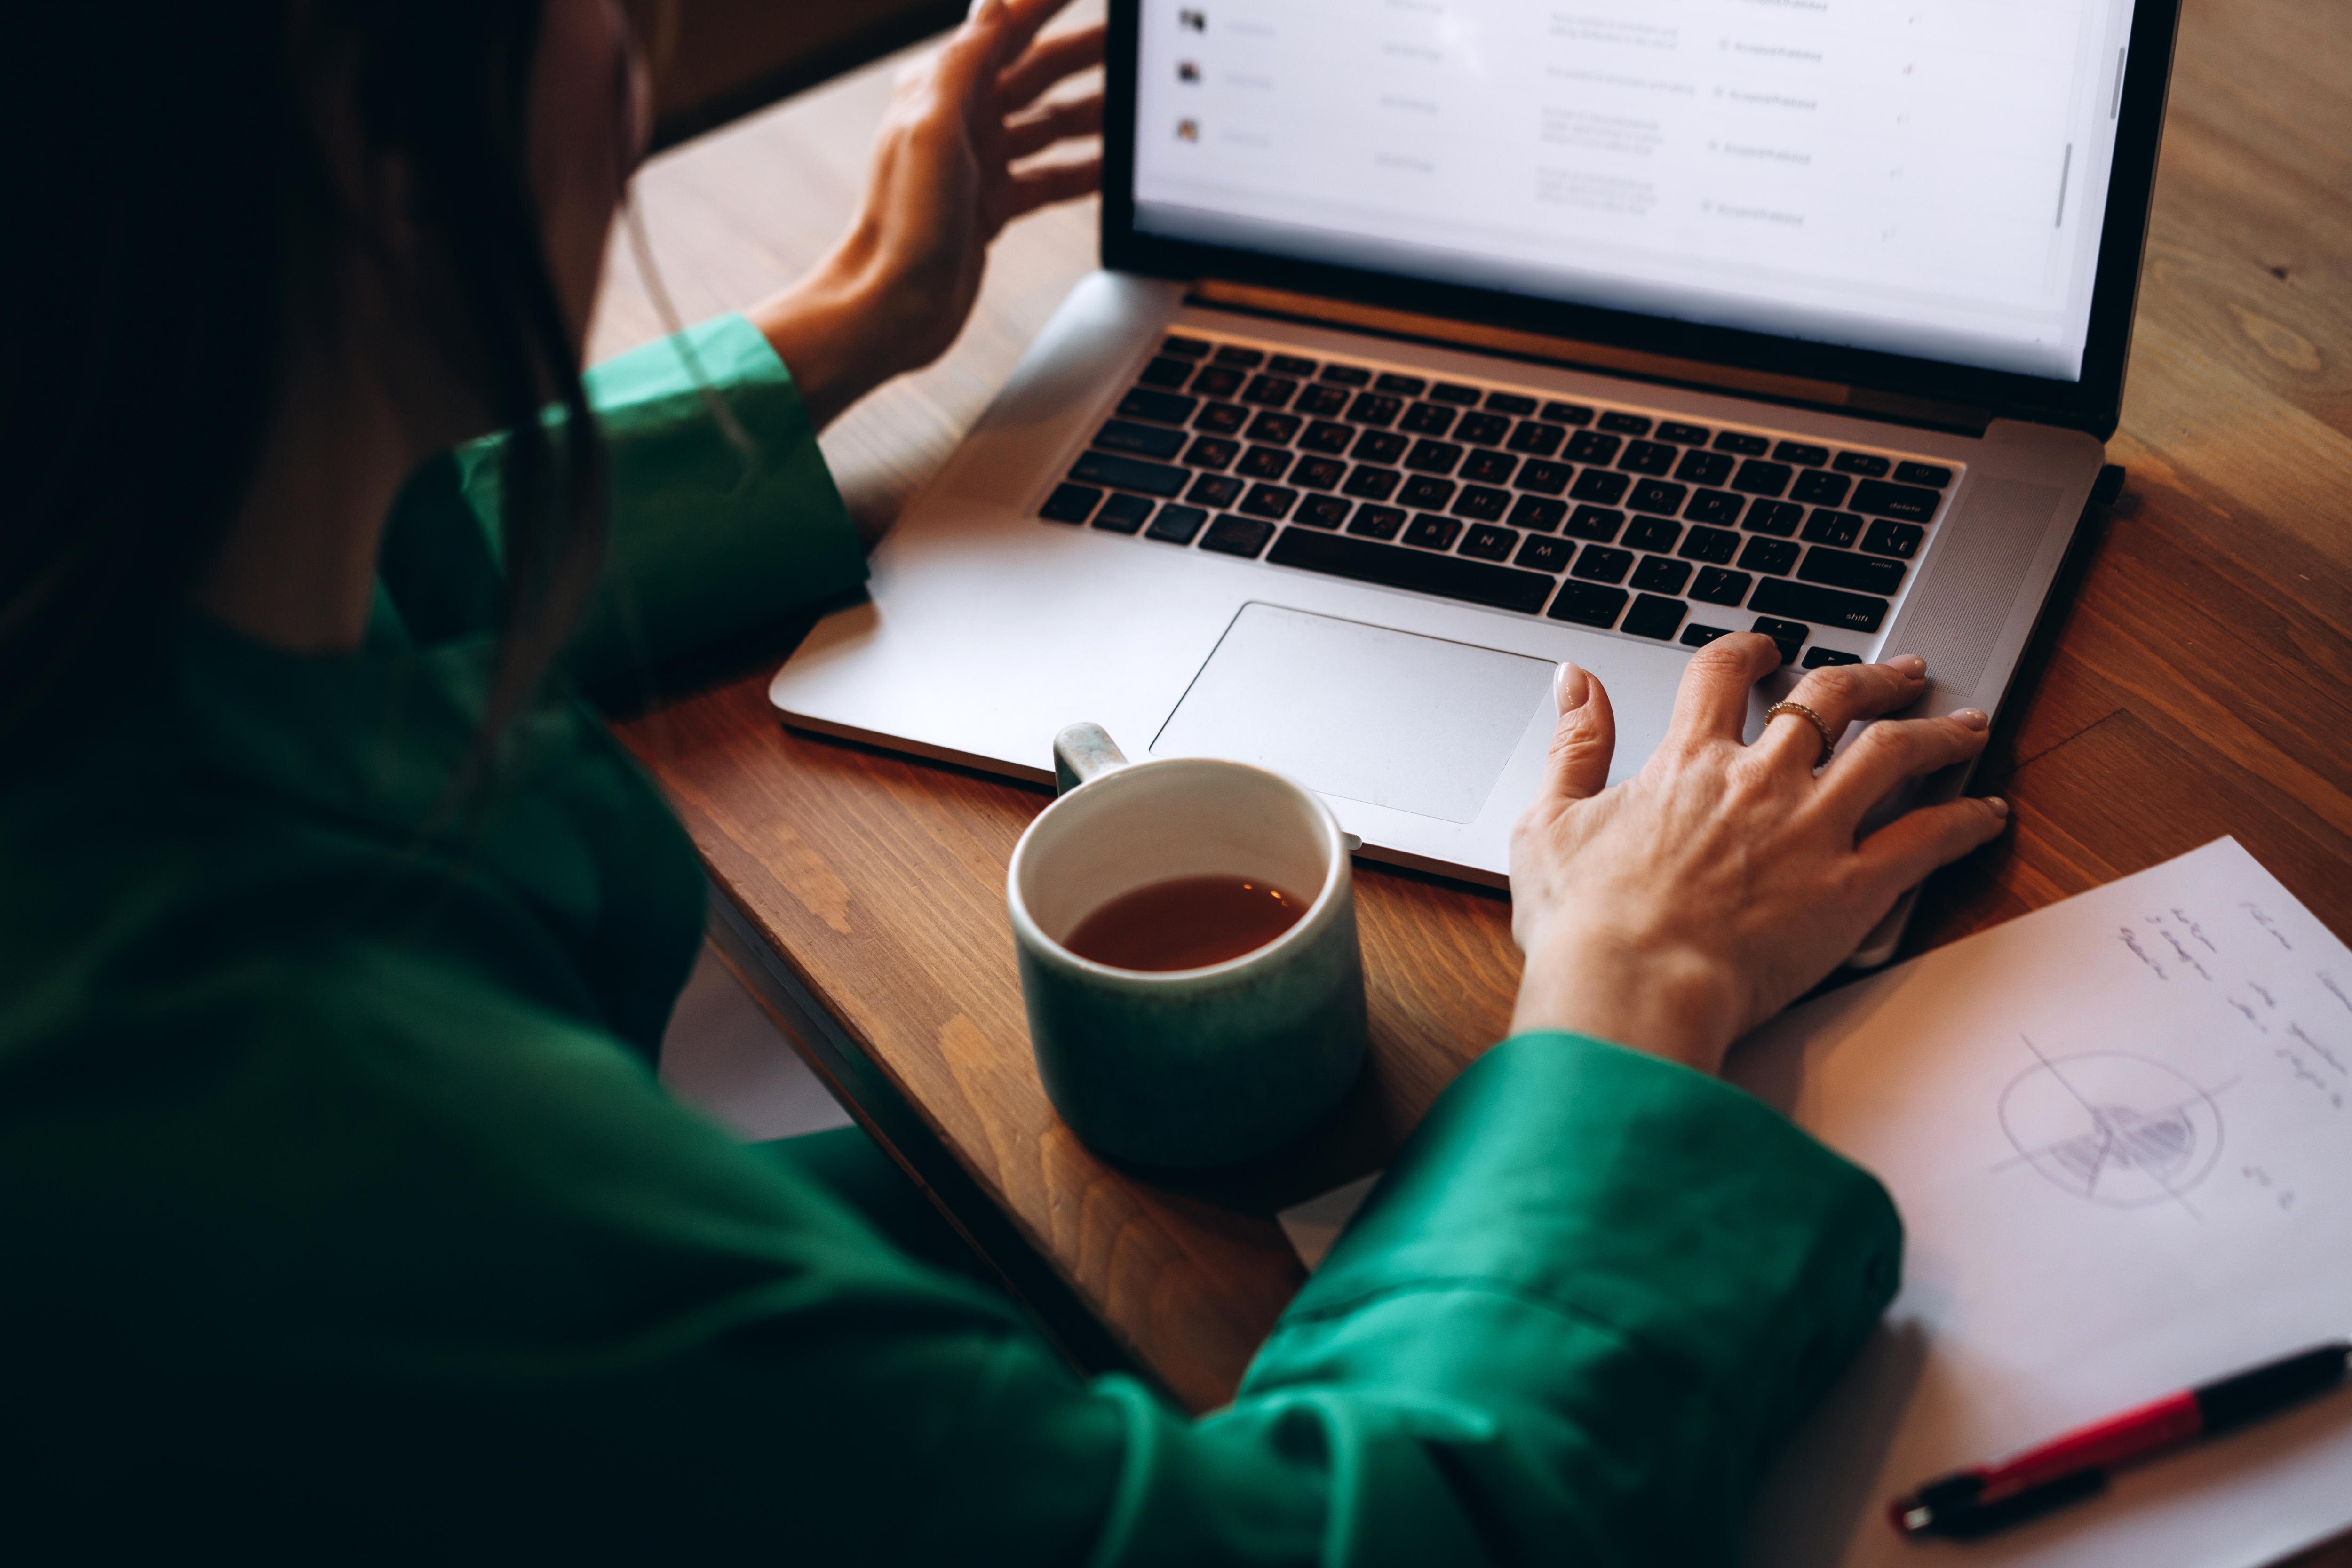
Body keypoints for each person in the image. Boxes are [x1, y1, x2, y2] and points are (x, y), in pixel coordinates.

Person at [0, 1, 2008, 1560]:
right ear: (373, 138)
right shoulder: (345, 1151)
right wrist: (1632, 989)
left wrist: (837, 335)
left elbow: (356, 532)